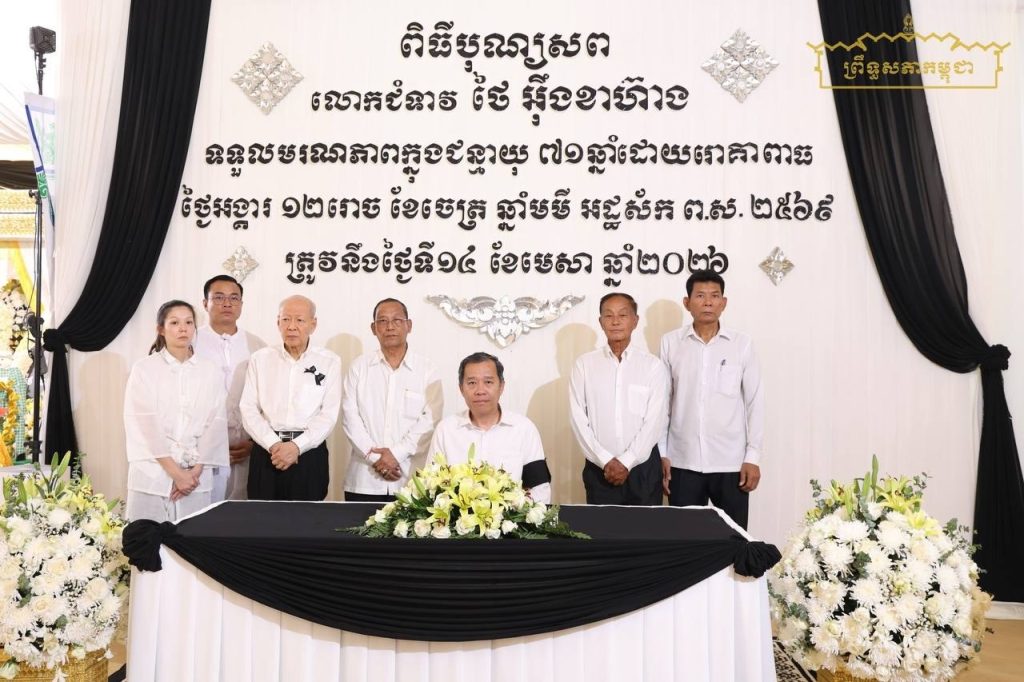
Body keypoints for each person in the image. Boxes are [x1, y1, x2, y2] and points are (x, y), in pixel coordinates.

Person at [659, 270, 764, 529]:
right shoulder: (670, 343)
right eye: (700, 296)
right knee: (684, 539)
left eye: (715, 296)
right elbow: (663, 403)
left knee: (734, 539)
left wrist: (752, 457)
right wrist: (662, 453)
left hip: (731, 462)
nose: (708, 302)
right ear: (687, 302)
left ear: (723, 302)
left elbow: (755, 402)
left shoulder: (742, 344)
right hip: (682, 461)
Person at [124, 300, 228, 522]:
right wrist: (176, 473)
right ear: (161, 329)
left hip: (195, 475)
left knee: (193, 535)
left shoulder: (210, 370)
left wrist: (194, 472)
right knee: (147, 536)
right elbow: (144, 425)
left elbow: (216, 424)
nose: (183, 329)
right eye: (174, 323)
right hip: (153, 471)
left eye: (189, 322)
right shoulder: (144, 369)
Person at [570, 292, 669, 505]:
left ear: (635, 321)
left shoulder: (652, 366)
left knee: (648, 527)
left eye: (623, 315)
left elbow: (655, 421)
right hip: (600, 470)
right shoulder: (584, 365)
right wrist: (605, 460)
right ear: (600, 322)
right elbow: (578, 418)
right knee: (601, 526)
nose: (615, 321)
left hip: (643, 469)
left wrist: (626, 461)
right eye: (609, 315)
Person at [240, 295, 341, 501]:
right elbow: (248, 408)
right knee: (261, 516)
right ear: (278, 322)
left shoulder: (329, 361)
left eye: (299, 320)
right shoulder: (260, 359)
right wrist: (273, 444)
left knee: (308, 517)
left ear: (313, 324)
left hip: (309, 454)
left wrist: (296, 446)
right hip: (267, 452)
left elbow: (329, 414)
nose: (292, 326)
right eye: (286, 319)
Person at [342, 298, 443, 502]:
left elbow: (430, 421)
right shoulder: (358, 368)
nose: (390, 327)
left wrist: (396, 454)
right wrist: (376, 459)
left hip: (410, 482)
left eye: (397, 320)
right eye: (382, 321)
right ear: (373, 328)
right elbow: (350, 418)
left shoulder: (427, 370)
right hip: (364, 481)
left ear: (409, 325)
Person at [430, 352, 551, 503]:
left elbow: (540, 489)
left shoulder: (524, 429)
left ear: (501, 386)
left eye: (488, 382)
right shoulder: (446, 430)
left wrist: (514, 512)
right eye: (472, 383)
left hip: (513, 517)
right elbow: (431, 486)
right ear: (461, 389)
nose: (480, 391)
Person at [193, 275, 265, 502]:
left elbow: (269, 400)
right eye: (219, 297)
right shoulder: (190, 341)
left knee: (241, 509)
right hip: (199, 448)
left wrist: (253, 443)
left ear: (241, 304)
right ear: (205, 303)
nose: (227, 303)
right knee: (203, 508)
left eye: (234, 298)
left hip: (245, 446)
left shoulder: (258, 346)